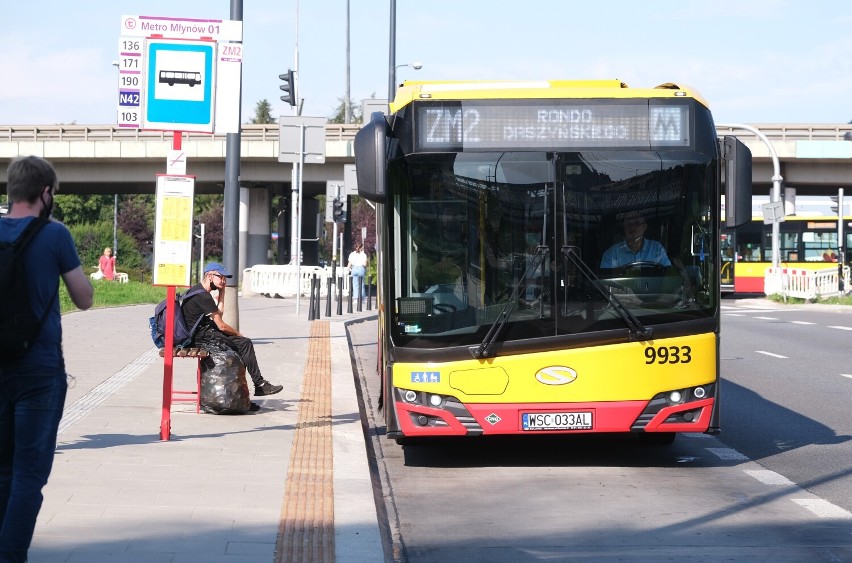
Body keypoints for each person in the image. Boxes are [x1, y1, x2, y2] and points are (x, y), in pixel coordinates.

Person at [0, 156, 94, 563]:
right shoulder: (55, 234)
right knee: (27, 475)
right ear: (45, 193)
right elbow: (85, 298)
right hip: (38, 370)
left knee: (2, 471)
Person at [181, 262, 283, 398]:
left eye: (225, 278)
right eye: (221, 277)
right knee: (244, 344)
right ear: (210, 276)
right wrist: (238, 334)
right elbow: (221, 325)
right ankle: (259, 385)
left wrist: (222, 292)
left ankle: (242, 397)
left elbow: (219, 313)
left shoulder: (197, 290)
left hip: (202, 334)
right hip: (200, 338)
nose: (223, 281)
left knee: (241, 346)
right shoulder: (203, 296)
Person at [600, 213, 671, 269]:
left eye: (637, 223)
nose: (633, 228)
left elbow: (668, 275)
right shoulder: (611, 254)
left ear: (644, 227)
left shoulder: (657, 249)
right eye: (629, 224)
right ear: (624, 227)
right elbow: (605, 283)